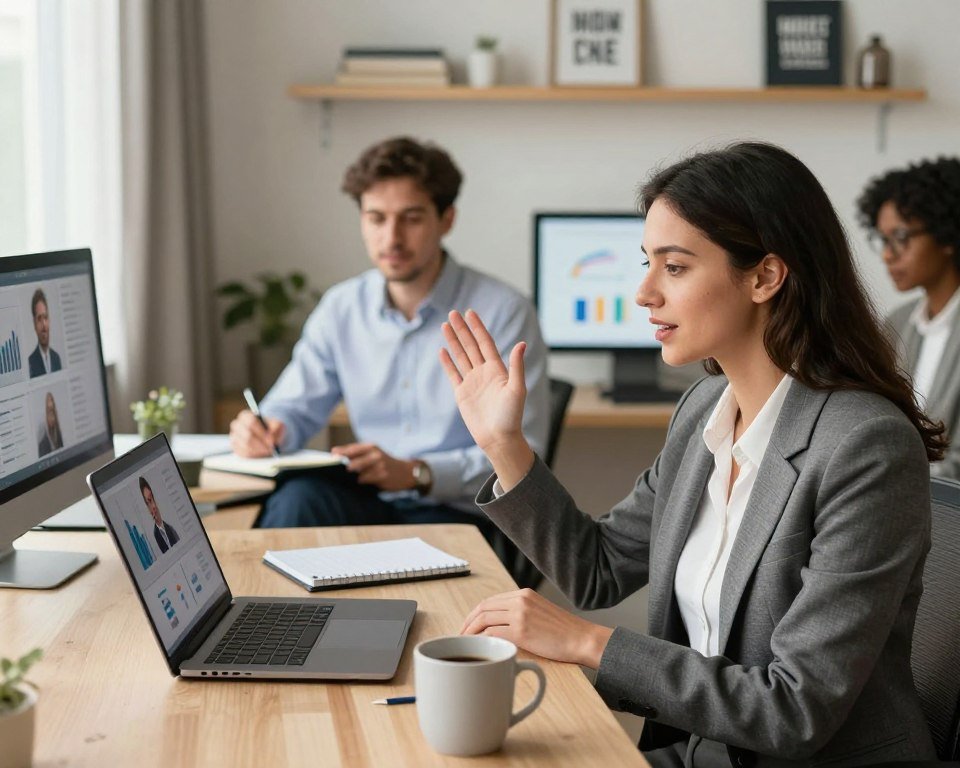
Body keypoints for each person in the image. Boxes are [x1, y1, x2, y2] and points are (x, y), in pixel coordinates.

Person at [440, 142, 945, 766]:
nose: (644, 293)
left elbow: (796, 710)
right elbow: (595, 569)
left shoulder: (865, 445)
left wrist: (585, 642)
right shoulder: (704, 411)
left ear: (764, 275)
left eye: (674, 268)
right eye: (647, 263)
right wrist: (504, 445)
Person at [229, 136, 549, 534]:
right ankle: (262, 601)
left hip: (460, 511)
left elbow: (526, 452)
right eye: (376, 218)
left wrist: (419, 473)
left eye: (411, 218)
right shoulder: (341, 308)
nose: (392, 238)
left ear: (446, 218)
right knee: (297, 499)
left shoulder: (503, 311)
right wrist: (265, 430)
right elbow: (292, 407)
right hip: (368, 499)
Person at [857, 157, 960, 480]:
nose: (888, 254)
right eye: (884, 240)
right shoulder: (897, 323)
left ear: (946, 235)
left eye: (901, 237)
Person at [28, 288, 62, 378]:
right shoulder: (30, 363)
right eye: (39, 319)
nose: (44, 325)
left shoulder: (56, 359)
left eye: (45, 317)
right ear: (34, 323)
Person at [140, 476, 180, 554]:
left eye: (152, 499)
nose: (154, 506)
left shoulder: (170, 528)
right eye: (149, 502)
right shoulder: (155, 536)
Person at [37, 392, 64, 456]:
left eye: (51, 400)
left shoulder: (58, 434)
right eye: (50, 415)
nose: (52, 419)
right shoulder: (43, 441)